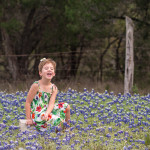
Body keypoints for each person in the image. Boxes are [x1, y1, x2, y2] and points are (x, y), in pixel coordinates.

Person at [25, 58, 70, 131]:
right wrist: (28, 119)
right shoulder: (36, 85)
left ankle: (67, 128)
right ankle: (59, 128)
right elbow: (28, 102)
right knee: (58, 120)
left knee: (66, 106)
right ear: (40, 73)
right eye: (46, 68)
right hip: (38, 113)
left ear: (54, 73)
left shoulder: (54, 88)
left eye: (51, 69)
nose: (49, 70)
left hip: (47, 110)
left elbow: (51, 104)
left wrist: (47, 113)